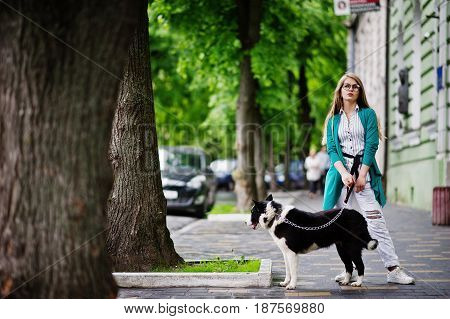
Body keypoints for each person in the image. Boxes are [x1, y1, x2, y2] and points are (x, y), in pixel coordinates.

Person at [322, 72, 415, 285]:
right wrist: (345, 174)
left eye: (355, 86)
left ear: (359, 91)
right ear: (340, 90)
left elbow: (372, 144)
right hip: (339, 178)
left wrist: (362, 175)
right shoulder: (333, 120)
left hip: (364, 175)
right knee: (339, 226)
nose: (351, 89)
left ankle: (393, 269)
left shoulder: (368, 114)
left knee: (376, 223)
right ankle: (349, 269)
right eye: (347, 86)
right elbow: (333, 150)